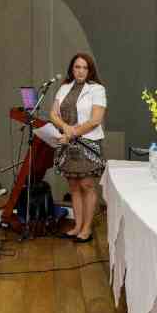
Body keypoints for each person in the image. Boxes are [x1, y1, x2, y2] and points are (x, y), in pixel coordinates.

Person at [49, 52, 107, 243]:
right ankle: (77, 226)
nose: (81, 71)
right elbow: (53, 114)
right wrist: (65, 128)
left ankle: (87, 229)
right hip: (67, 142)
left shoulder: (97, 89)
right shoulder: (64, 87)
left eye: (84, 67)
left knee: (87, 185)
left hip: (87, 141)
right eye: (77, 67)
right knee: (74, 186)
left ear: (89, 70)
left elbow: (96, 119)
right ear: (71, 69)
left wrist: (73, 132)